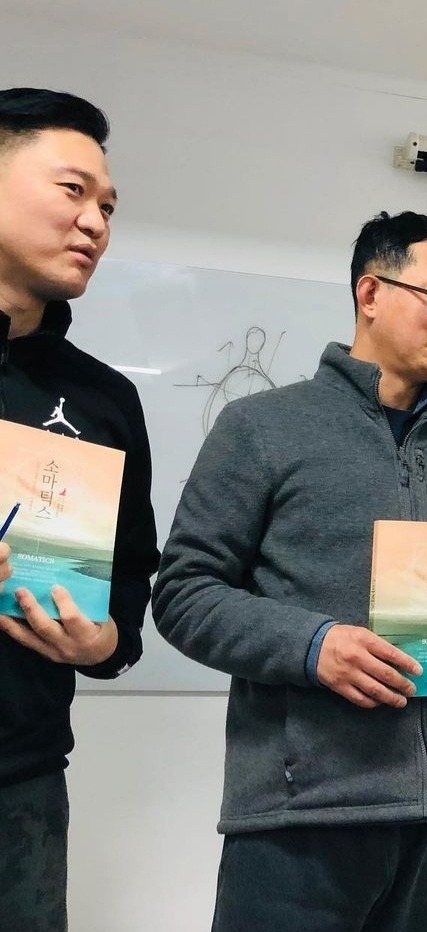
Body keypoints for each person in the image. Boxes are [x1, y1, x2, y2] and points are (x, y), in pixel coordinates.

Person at [152, 210, 427, 932]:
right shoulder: (261, 426)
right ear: (370, 292)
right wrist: (313, 645)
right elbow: (185, 593)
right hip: (301, 810)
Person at [0, 88, 159, 931]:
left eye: (108, 207)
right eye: (73, 190)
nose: (95, 221)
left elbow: (132, 573)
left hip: (23, 785)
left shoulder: (102, 399)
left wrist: (106, 645)